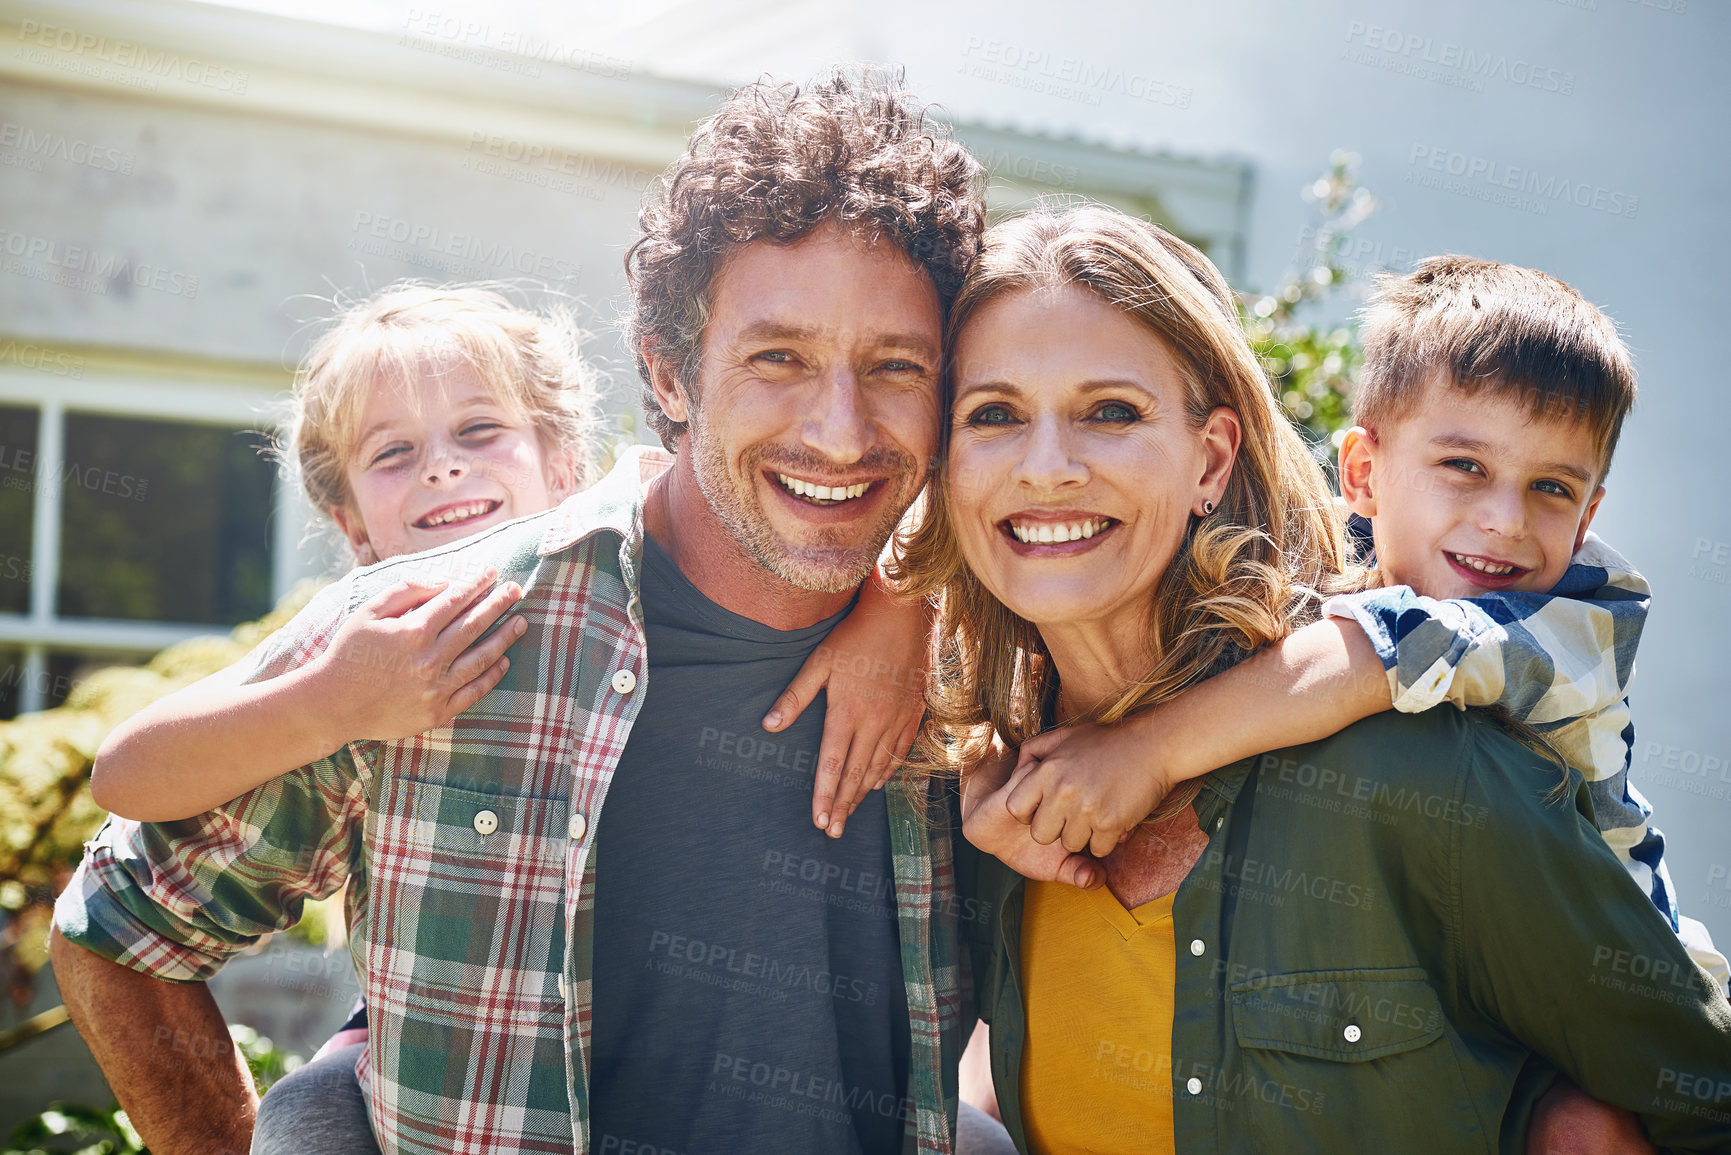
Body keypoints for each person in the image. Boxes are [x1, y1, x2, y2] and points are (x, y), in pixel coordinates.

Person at [50, 70, 982, 1155]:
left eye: (896, 367)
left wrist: (916, 601)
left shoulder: (986, 664)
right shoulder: (422, 640)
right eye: (778, 358)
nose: (839, 430)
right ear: (668, 373)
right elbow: (118, 930)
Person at [897, 204, 1731, 1151]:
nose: (1047, 467)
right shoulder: (969, 793)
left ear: (1210, 458)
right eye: (993, 414)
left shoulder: (1422, 768)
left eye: (1112, 412)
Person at [988, 257, 1728, 987]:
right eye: (1464, 467)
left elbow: (1377, 656)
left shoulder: (1582, 609)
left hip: (1637, 981)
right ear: (1362, 475)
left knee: (1586, 1118)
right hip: (1487, 993)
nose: (1506, 520)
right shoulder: (1344, 570)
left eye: (1551, 488)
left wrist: (1141, 754)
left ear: (1588, 513)